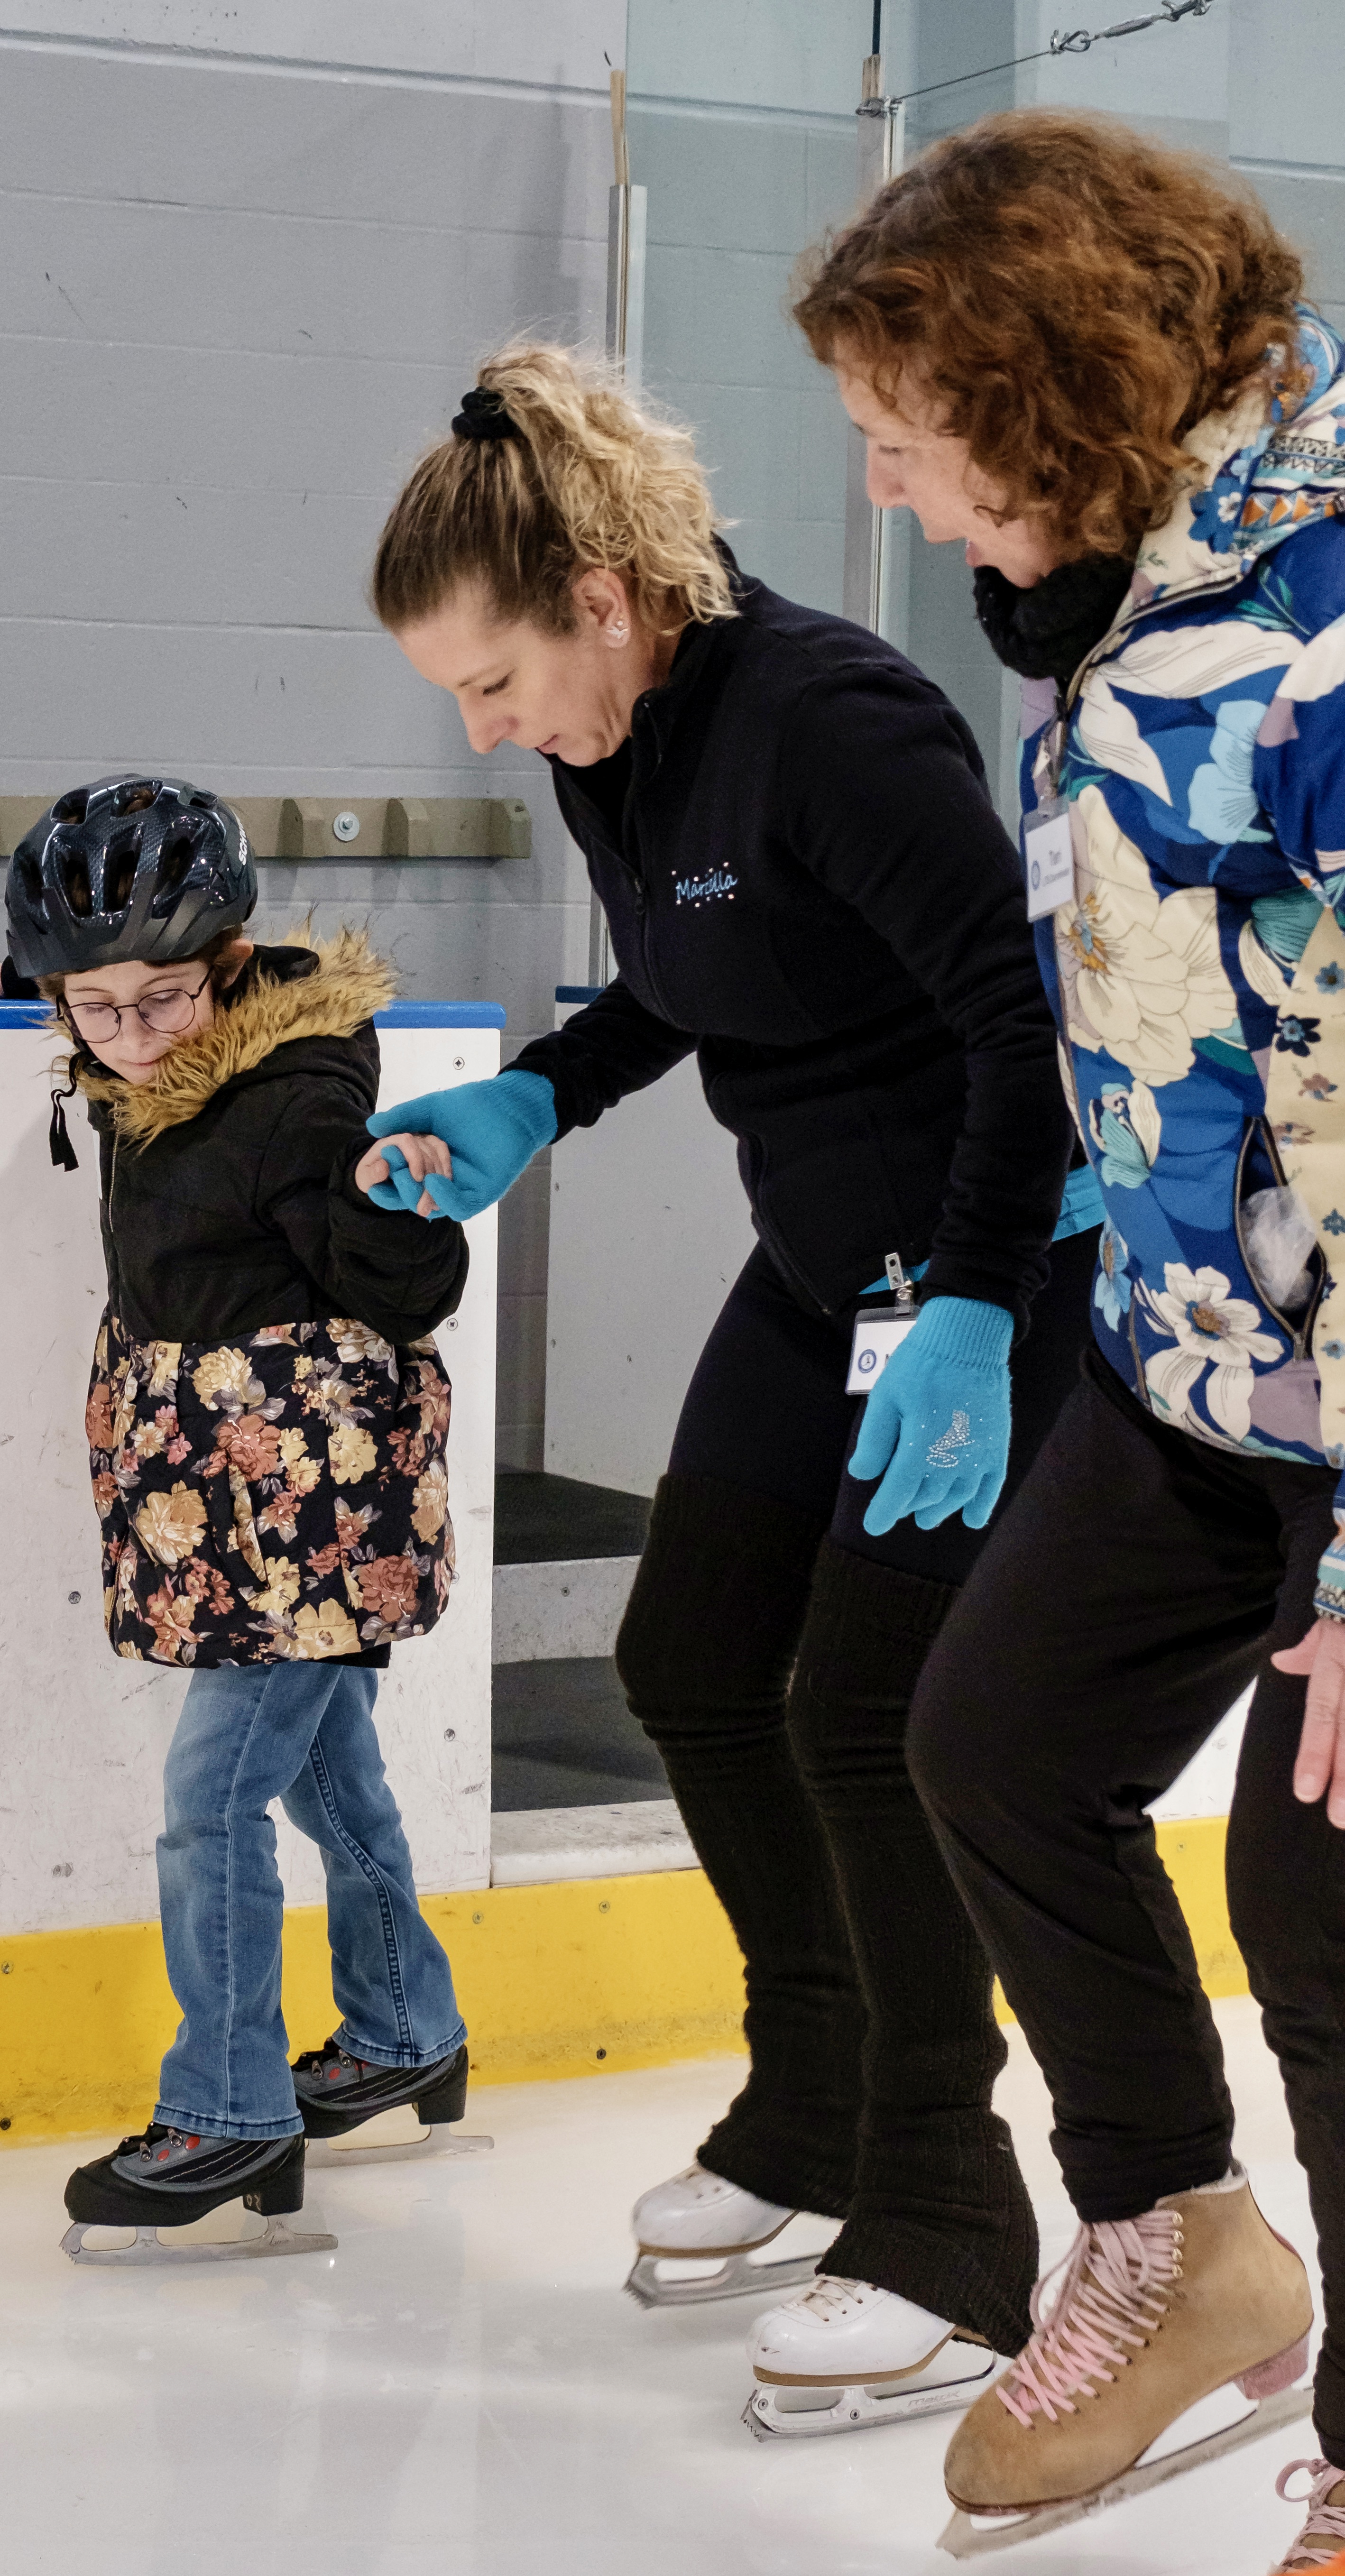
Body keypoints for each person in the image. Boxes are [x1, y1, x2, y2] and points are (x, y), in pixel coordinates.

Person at [362, 345, 1101, 2422]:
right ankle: (813, 2100)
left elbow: (1024, 1035)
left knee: (867, 1716)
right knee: (693, 1658)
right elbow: (689, 982)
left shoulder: (831, 721)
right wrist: (540, 1088)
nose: (488, 727)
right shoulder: (619, 740)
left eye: (492, 680)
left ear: (601, 593)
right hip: (823, 1270)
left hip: (991, 1273)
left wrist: (971, 1294)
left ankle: (949, 2223)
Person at [798, 109, 1345, 2561]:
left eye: (907, 442)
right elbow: (1159, 1023)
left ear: (1045, 389)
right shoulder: (1134, 603)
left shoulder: (1321, 617)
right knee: (997, 1738)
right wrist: (1017, 1299)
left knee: (1322, 1898)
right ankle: (1181, 2242)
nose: (899, 499)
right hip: (1201, 1356)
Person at [0, 775, 474, 2259]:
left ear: (230, 967)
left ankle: (231, 2109)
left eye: (161, 999)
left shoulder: (296, 1100)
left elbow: (412, 1297)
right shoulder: (141, 1047)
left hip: (307, 1496)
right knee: (326, 1773)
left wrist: (391, 1206)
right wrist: (13, 982)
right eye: (91, 1009)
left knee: (211, 1801)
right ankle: (404, 2028)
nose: (130, 1037)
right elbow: (105, 999)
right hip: (219, 1486)